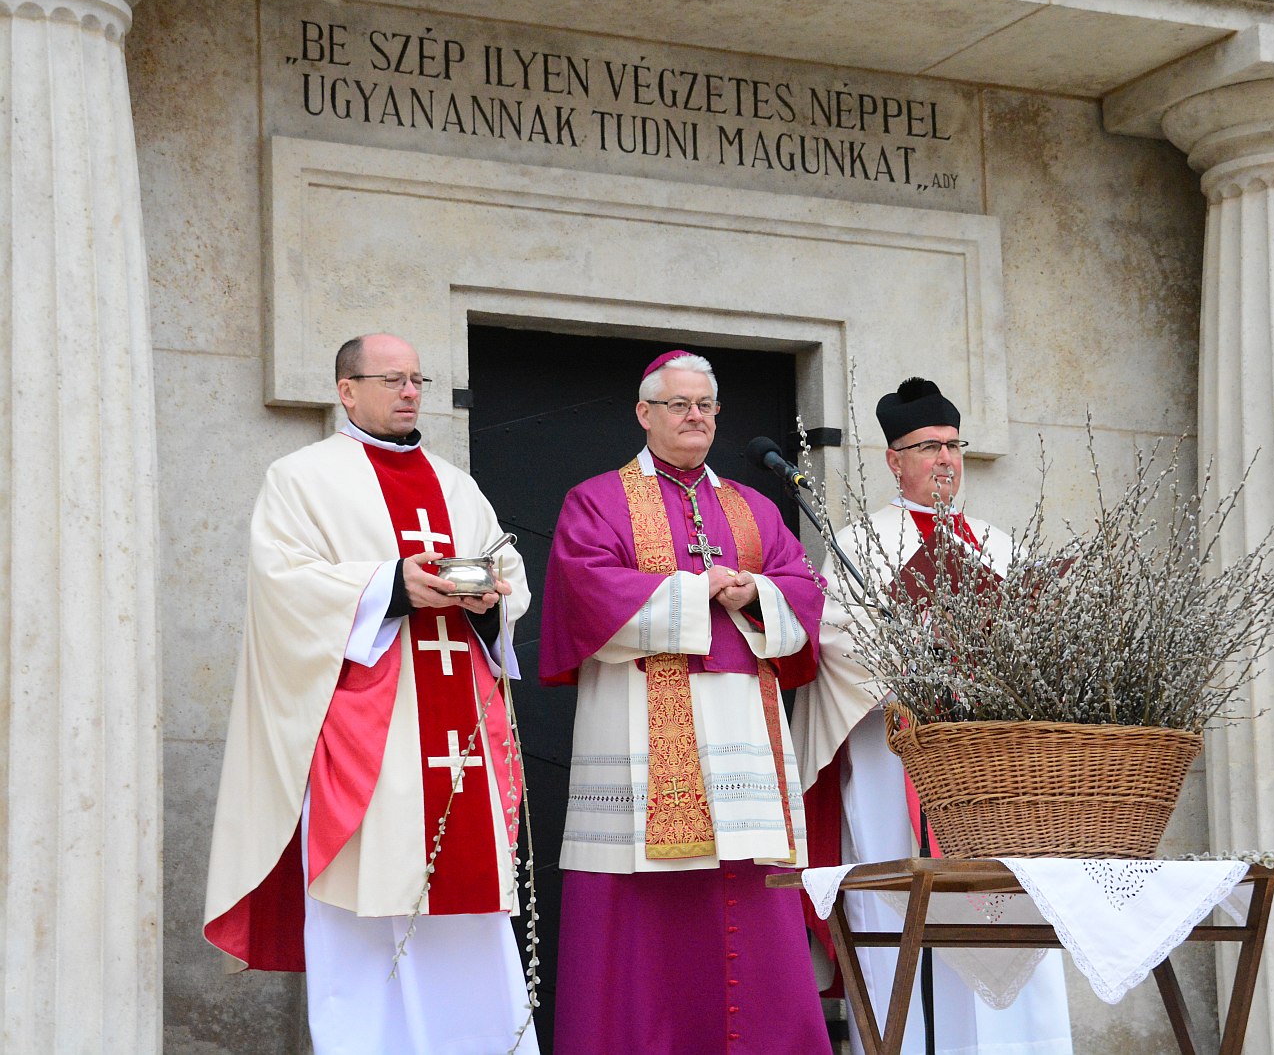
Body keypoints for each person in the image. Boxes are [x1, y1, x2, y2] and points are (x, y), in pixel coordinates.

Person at [203, 333, 537, 1054]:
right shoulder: (301, 478)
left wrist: (489, 601)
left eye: (417, 378)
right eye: (391, 379)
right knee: (361, 903)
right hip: (371, 735)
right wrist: (391, 585)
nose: (410, 391)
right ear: (346, 390)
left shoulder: (457, 486)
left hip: (460, 732)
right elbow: (283, 586)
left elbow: (508, 577)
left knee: (470, 914)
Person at [540, 349, 832, 1055]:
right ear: (644, 413)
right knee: (641, 911)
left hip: (743, 733)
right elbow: (585, 589)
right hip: (639, 730)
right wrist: (695, 591)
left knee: (750, 894)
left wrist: (755, 593)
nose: (694, 416)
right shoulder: (598, 500)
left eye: (705, 405)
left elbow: (803, 588)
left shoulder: (754, 506)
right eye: (678, 404)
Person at [794, 377, 1075, 1055]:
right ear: (895, 460)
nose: (946, 458)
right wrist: (923, 660)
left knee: (1009, 903)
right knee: (902, 908)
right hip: (898, 757)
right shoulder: (860, 543)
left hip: (993, 767)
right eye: (928, 446)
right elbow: (836, 641)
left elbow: (1039, 640)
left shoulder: (999, 543)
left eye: (953, 444)